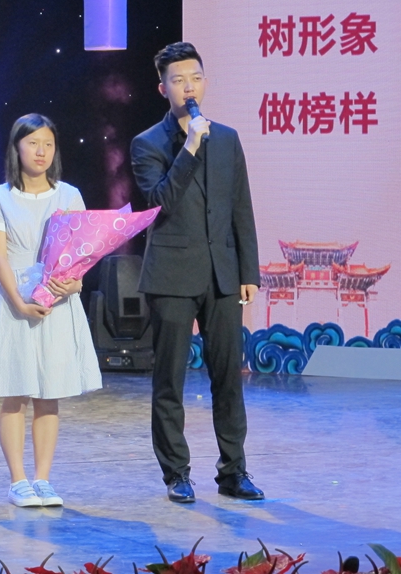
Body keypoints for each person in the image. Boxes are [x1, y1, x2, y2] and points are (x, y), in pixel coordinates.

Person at [130, 42, 264, 503]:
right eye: (179, 80)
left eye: (196, 78)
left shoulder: (227, 138)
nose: (189, 87)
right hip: (171, 274)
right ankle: (176, 474)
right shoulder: (148, 143)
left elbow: (241, 206)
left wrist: (248, 270)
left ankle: (234, 472)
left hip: (223, 274)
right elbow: (158, 202)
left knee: (228, 376)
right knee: (170, 380)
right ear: (163, 88)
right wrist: (188, 147)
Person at [0, 113, 101, 508]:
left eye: (48, 143)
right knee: (15, 394)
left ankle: (43, 479)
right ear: (17, 148)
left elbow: (82, 252)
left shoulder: (69, 195)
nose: (41, 151)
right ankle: (18, 481)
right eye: (32, 143)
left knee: (50, 394)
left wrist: (75, 283)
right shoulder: (0, 197)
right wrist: (19, 302)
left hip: (58, 305)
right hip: (15, 304)